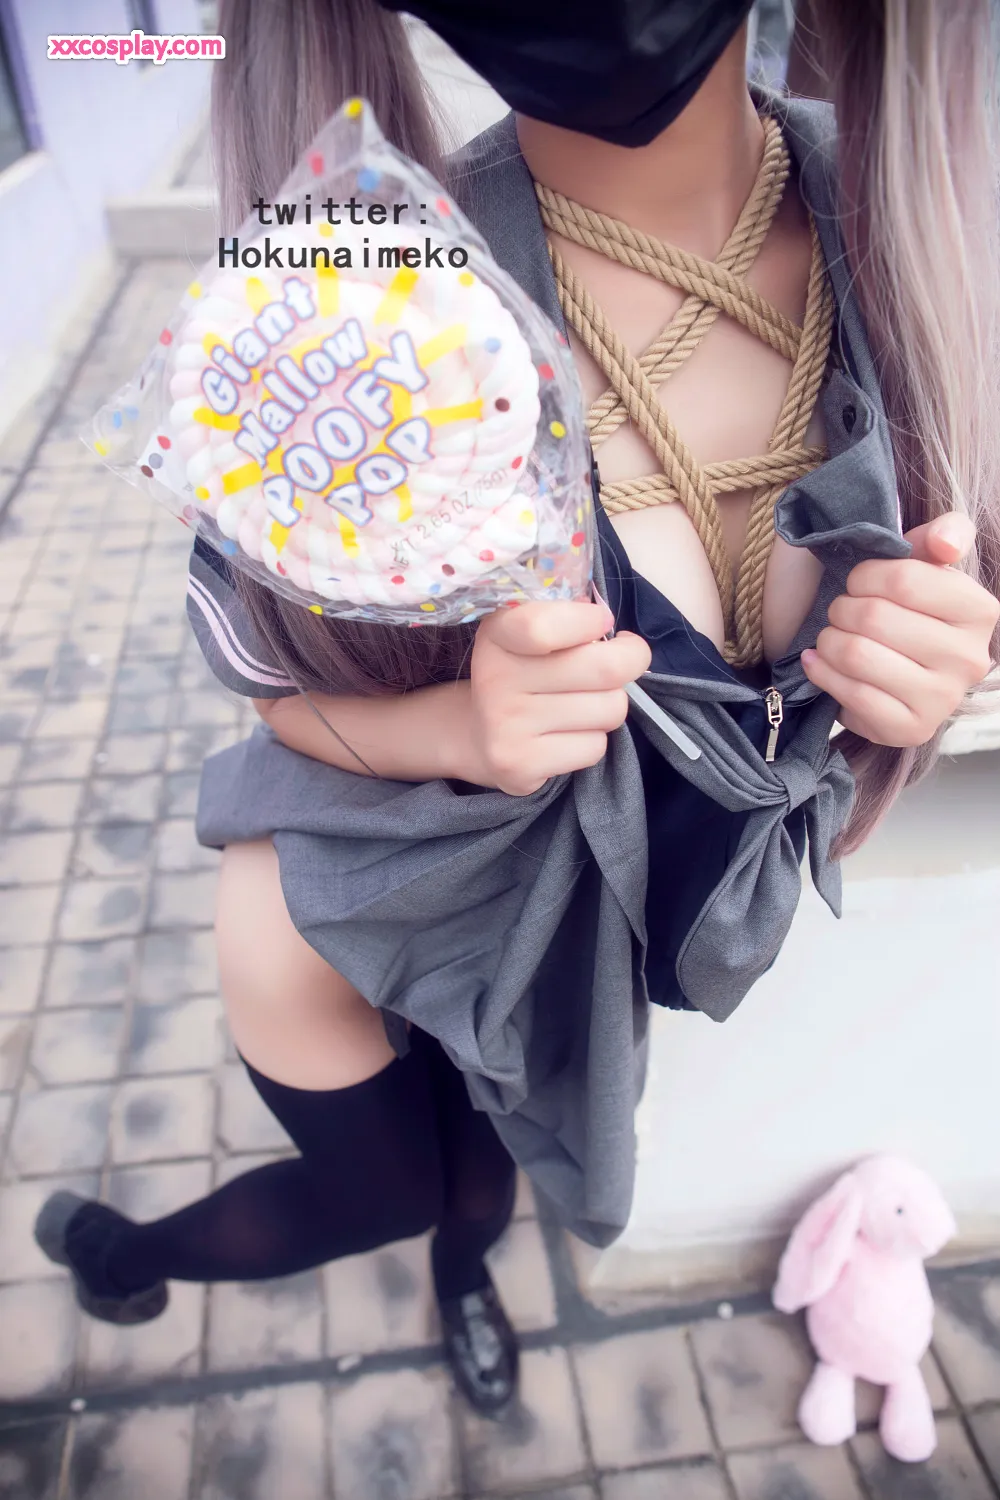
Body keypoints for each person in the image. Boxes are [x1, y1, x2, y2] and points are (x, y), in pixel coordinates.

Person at [38, 0, 999, 1418]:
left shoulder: (929, 246)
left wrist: (933, 670)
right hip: (350, 908)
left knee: (487, 1177)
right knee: (379, 1192)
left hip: (553, 933)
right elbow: (279, 694)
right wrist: (461, 732)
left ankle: (465, 1288)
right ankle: (117, 1253)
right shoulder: (375, 281)